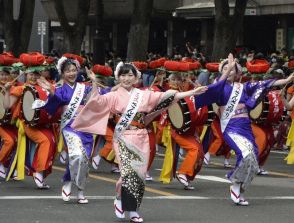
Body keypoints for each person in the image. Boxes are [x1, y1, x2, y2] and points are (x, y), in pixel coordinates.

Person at [71, 62, 207, 222]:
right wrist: (94, 82)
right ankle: (132, 210)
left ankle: (121, 198)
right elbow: (97, 102)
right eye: (123, 75)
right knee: (128, 173)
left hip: (141, 136)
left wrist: (193, 91)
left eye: (130, 75)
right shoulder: (113, 96)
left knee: (140, 175)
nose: (126, 78)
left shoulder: (143, 94)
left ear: (136, 77)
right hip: (123, 136)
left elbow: (168, 96)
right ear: (118, 77)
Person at [195, 53, 294, 206]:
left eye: (231, 69)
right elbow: (216, 86)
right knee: (246, 153)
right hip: (231, 127)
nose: (228, 71)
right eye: (225, 68)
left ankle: (240, 188)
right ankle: (235, 183)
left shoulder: (244, 87)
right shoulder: (218, 86)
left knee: (253, 159)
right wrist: (227, 69)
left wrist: (286, 80)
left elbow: (265, 84)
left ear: (238, 73)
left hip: (245, 126)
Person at [37, 57, 110, 203]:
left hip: (85, 127)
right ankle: (68, 182)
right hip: (70, 127)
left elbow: (99, 96)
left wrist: (94, 81)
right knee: (76, 154)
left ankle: (81, 191)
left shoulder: (85, 87)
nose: (71, 73)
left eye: (73, 70)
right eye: (67, 71)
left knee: (83, 159)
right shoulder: (60, 89)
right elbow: (54, 103)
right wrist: (51, 93)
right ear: (62, 73)